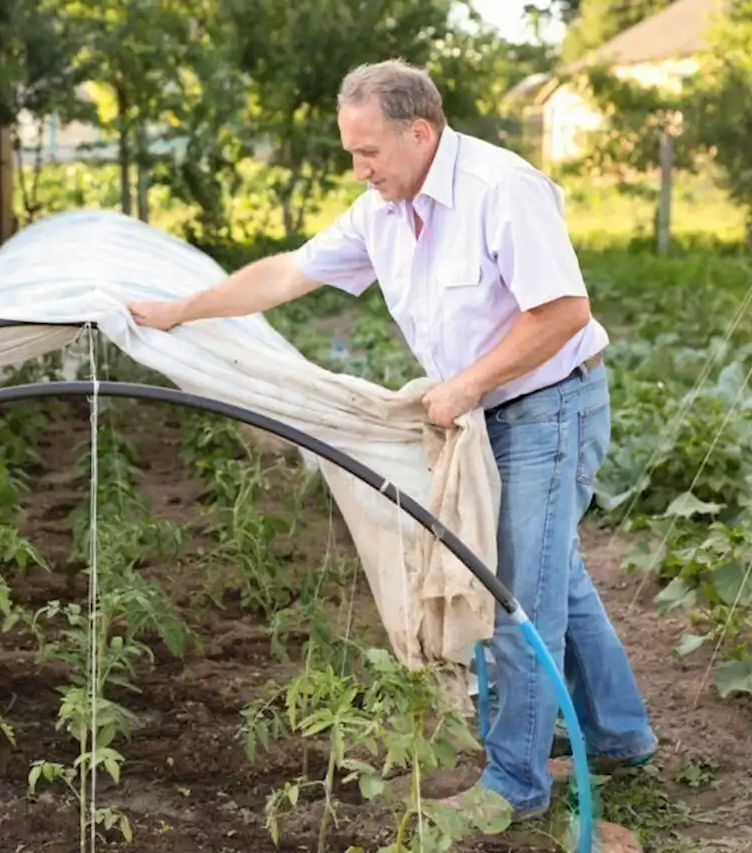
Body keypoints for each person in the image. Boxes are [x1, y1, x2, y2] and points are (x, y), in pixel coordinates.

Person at [127, 58, 657, 824]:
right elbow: (285, 274)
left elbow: (564, 313)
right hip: (487, 417)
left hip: (548, 406)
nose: (359, 167)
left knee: (512, 597)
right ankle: (619, 731)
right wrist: (183, 312)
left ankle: (515, 784)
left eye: (368, 150)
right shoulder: (382, 209)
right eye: (351, 151)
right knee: (553, 576)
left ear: (421, 131)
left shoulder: (500, 190)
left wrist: (469, 382)